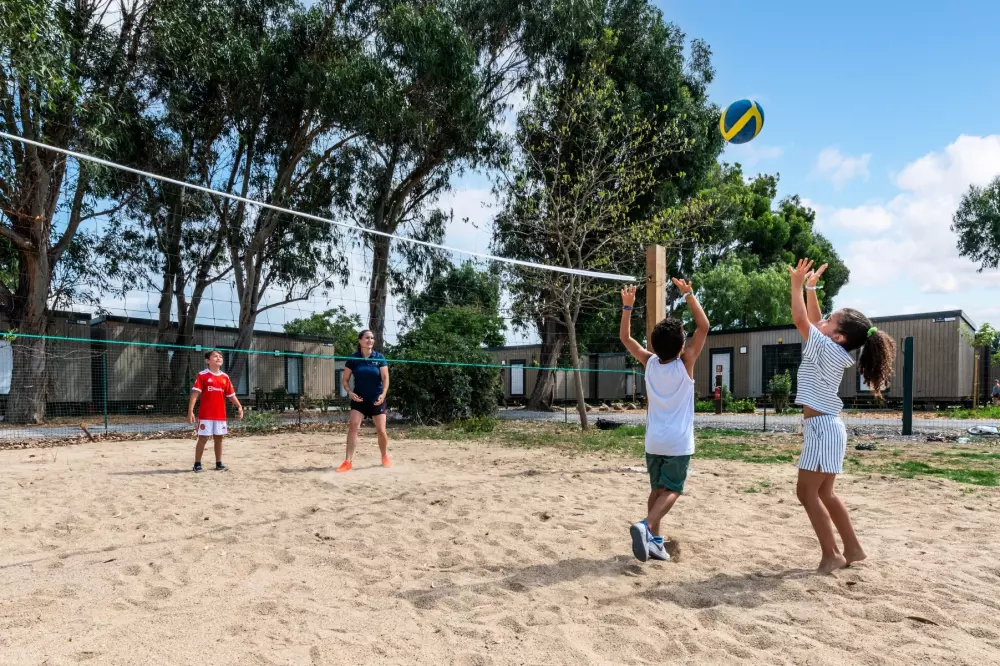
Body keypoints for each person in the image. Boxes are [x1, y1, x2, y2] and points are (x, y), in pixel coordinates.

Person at [788, 258, 896, 574]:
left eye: (829, 321)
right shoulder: (831, 347)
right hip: (830, 428)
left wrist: (796, 285)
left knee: (806, 492)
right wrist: (811, 289)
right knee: (825, 493)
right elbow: (815, 320)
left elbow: (801, 319)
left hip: (823, 429)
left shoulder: (824, 348)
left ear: (837, 337)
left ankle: (832, 554)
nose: (821, 320)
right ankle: (853, 548)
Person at [619, 279, 710, 562]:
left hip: (654, 442)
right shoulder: (685, 364)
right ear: (682, 346)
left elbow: (626, 338)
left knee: (656, 491)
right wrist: (689, 294)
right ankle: (646, 525)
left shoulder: (649, 363)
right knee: (672, 490)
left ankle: (655, 542)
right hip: (678, 443)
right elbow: (704, 326)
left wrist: (627, 307)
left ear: (653, 345)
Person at [336, 329, 391, 472]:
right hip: (359, 399)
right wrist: (350, 393)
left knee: (381, 430)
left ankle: (384, 456)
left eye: (372, 338)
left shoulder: (379, 357)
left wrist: (383, 394)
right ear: (360, 340)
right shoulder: (353, 359)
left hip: (376, 399)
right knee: (353, 427)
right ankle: (348, 462)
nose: (370, 340)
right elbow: (345, 380)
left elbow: (385, 378)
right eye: (367, 338)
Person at [188, 349, 244, 472]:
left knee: (219, 438)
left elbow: (231, 395)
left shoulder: (225, 377)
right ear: (207, 361)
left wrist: (239, 406)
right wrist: (190, 411)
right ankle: (197, 464)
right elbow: (195, 394)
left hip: (220, 415)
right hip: (206, 415)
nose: (219, 358)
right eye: (215, 356)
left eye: (220, 356)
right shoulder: (202, 375)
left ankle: (219, 463)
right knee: (203, 438)